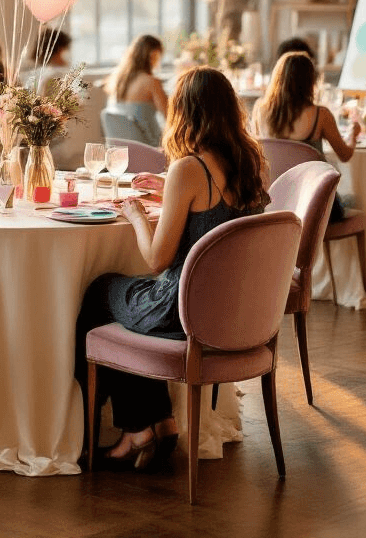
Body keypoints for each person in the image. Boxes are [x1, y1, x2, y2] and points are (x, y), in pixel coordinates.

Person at [74, 67, 269, 471]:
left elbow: (157, 259)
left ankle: (133, 429)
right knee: (124, 307)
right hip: (234, 308)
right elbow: (219, 213)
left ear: (185, 111)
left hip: (183, 308)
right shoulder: (251, 163)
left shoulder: (188, 169)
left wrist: (135, 215)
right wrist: (172, 193)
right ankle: (160, 422)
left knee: (100, 292)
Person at [252, 51, 360, 221]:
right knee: (354, 199)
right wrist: (354, 134)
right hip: (315, 207)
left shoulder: (261, 110)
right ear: (310, 81)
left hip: (274, 205)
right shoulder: (320, 115)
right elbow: (345, 155)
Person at [104, 34, 167, 147]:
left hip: (121, 151)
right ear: (153, 54)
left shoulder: (117, 81)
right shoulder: (151, 82)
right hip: (150, 146)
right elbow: (170, 116)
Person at [28, 28, 72, 95]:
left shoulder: (38, 73)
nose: (68, 53)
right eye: (66, 49)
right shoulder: (56, 76)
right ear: (59, 50)